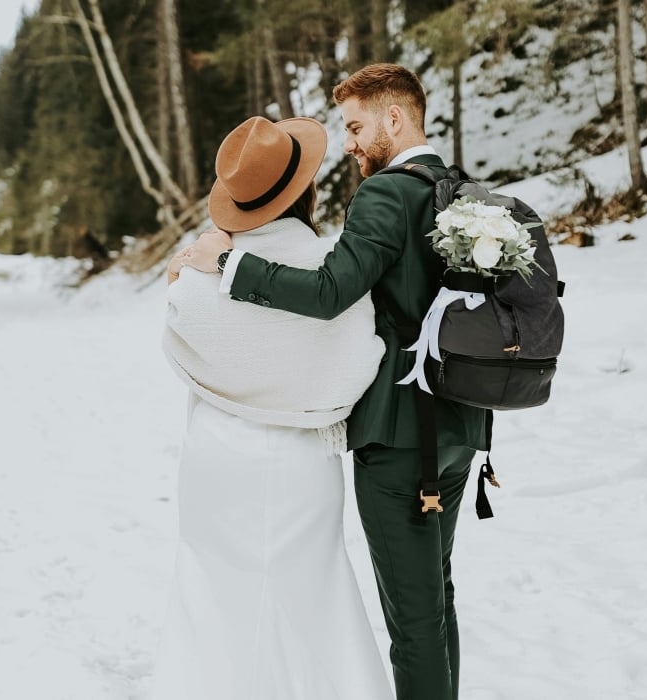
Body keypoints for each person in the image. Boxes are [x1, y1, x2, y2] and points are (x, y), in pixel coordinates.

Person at [184, 64, 489, 700]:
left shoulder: (384, 194)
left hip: (401, 439)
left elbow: (328, 294)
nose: (348, 143)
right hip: (462, 425)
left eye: (355, 126)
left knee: (413, 624)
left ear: (396, 118)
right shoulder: (460, 189)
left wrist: (230, 264)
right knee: (437, 598)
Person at [153, 115, 393, 700]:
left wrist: (185, 268)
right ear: (305, 190)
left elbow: (181, 330)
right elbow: (364, 357)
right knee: (314, 595)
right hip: (301, 460)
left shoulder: (200, 273)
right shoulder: (333, 270)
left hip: (216, 457)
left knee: (211, 594)